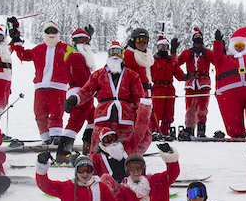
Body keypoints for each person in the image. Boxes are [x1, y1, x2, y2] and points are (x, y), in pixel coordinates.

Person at [78, 41, 151, 154]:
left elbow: (138, 96)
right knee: (98, 143)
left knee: (125, 144)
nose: (115, 56)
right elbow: (86, 90)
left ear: (122, 55)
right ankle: (96, 163)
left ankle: (127, 164)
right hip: (102, 116)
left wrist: (142, 109)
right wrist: (75, 98)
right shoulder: (98, 74)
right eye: (112, 52)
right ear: (108, 55)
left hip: (125, 117)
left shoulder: (131, 75)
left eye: (118, 52)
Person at [13, 20, 71, 150]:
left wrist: (84, 41)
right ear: (44, 33)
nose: (51, 34)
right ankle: (46, 139)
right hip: (40, 87)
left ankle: (56, 138)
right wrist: (16, 39)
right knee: (39, 113)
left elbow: (78, 56)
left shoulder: (65, 48)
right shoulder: (39, 49)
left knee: (56, 113)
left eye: (53, 31)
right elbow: (23, 55)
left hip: (58, 87)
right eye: (48, 31)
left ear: (58, 33)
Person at [60, 25, 98, 156]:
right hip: (80, 93)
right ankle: (63, 152)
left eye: (86, 40)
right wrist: (93, 90)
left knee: (93, 117)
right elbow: (82, 78)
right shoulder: (75, 56)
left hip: (84, 92)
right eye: (81, 40)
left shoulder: (80, 55)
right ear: (75, 42)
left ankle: (88, 145)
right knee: (75, 122)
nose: (84, 43)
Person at [176, 26, 213, 139]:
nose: (197, 38)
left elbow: (219, 62)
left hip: (204, 84)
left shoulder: (207, 53)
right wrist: (183, 76)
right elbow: (175, 64)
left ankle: (201, 129)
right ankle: (189, 129)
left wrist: (221, 49)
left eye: (199, 36)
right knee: (190, 108)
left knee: (202, 108)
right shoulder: (187, 53)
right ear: (192, 39)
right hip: (191, 84)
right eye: (195, 37)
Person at [149, 35, 184, 140]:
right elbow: (146, 73)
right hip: (158, 88)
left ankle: (165, 132)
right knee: (156, 112)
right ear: (157, 47)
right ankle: (154, 131)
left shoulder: (171, 62)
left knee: (168, 113)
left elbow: (179, 75)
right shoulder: (153, 60)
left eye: (165, 46)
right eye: (160, 46)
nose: (163, 49)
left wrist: (187, 76)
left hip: (169, 88)